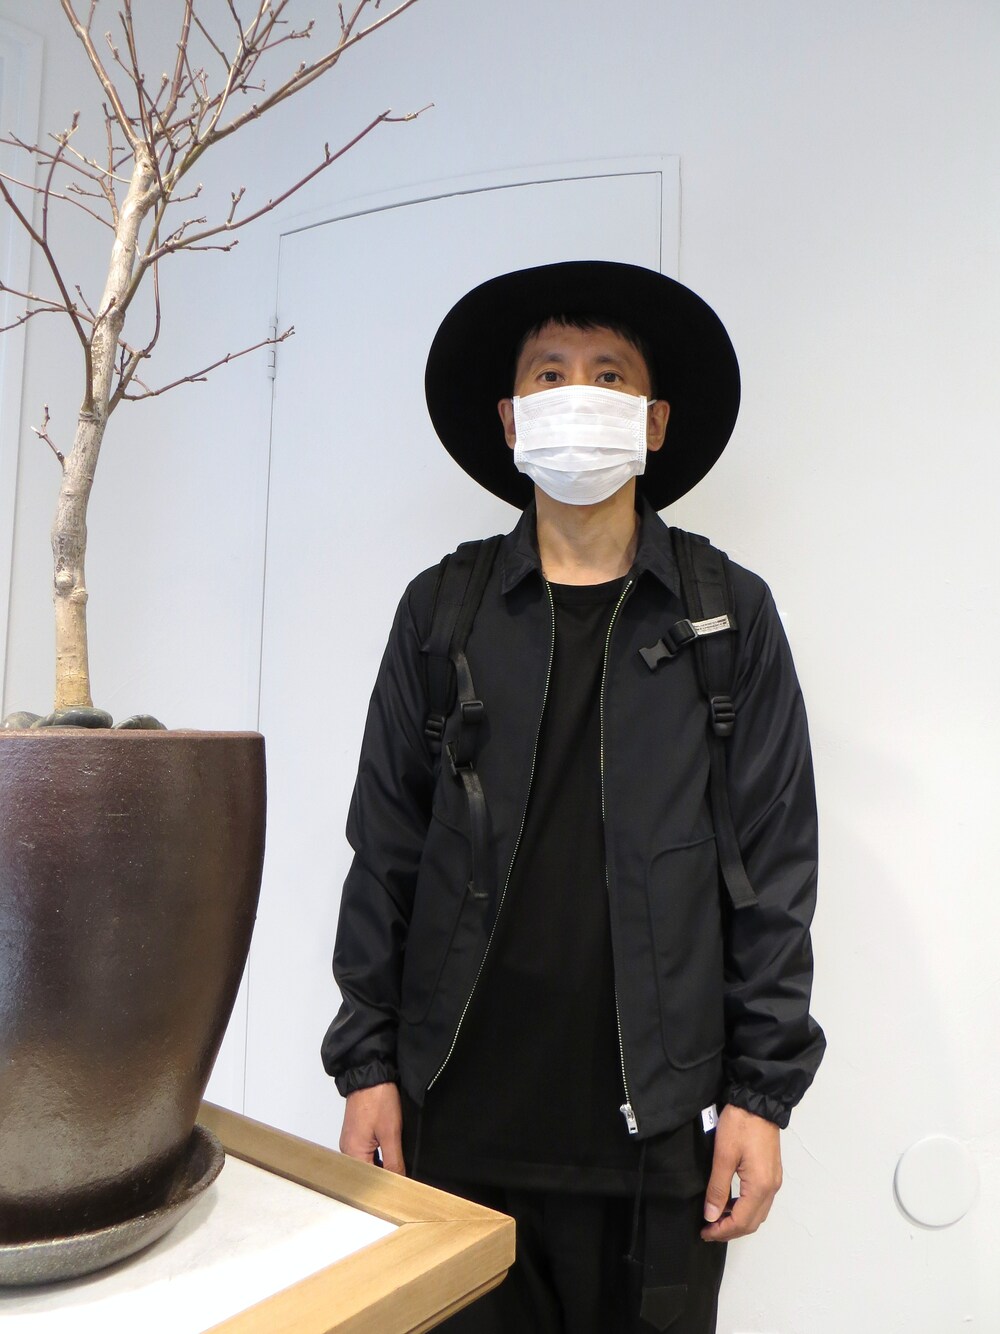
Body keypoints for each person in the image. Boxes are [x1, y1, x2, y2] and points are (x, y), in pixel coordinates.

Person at [322, 259, 825, 1333]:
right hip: (452, 1129)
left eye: (608, 374)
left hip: (652, 1146)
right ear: (511, 419)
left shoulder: (726, 617)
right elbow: (385, 851)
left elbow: (775, 869)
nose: (577, 394)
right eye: (549, 374)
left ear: (652, 421)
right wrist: (365, 1064)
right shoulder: (441, 610)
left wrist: (760, 1095)